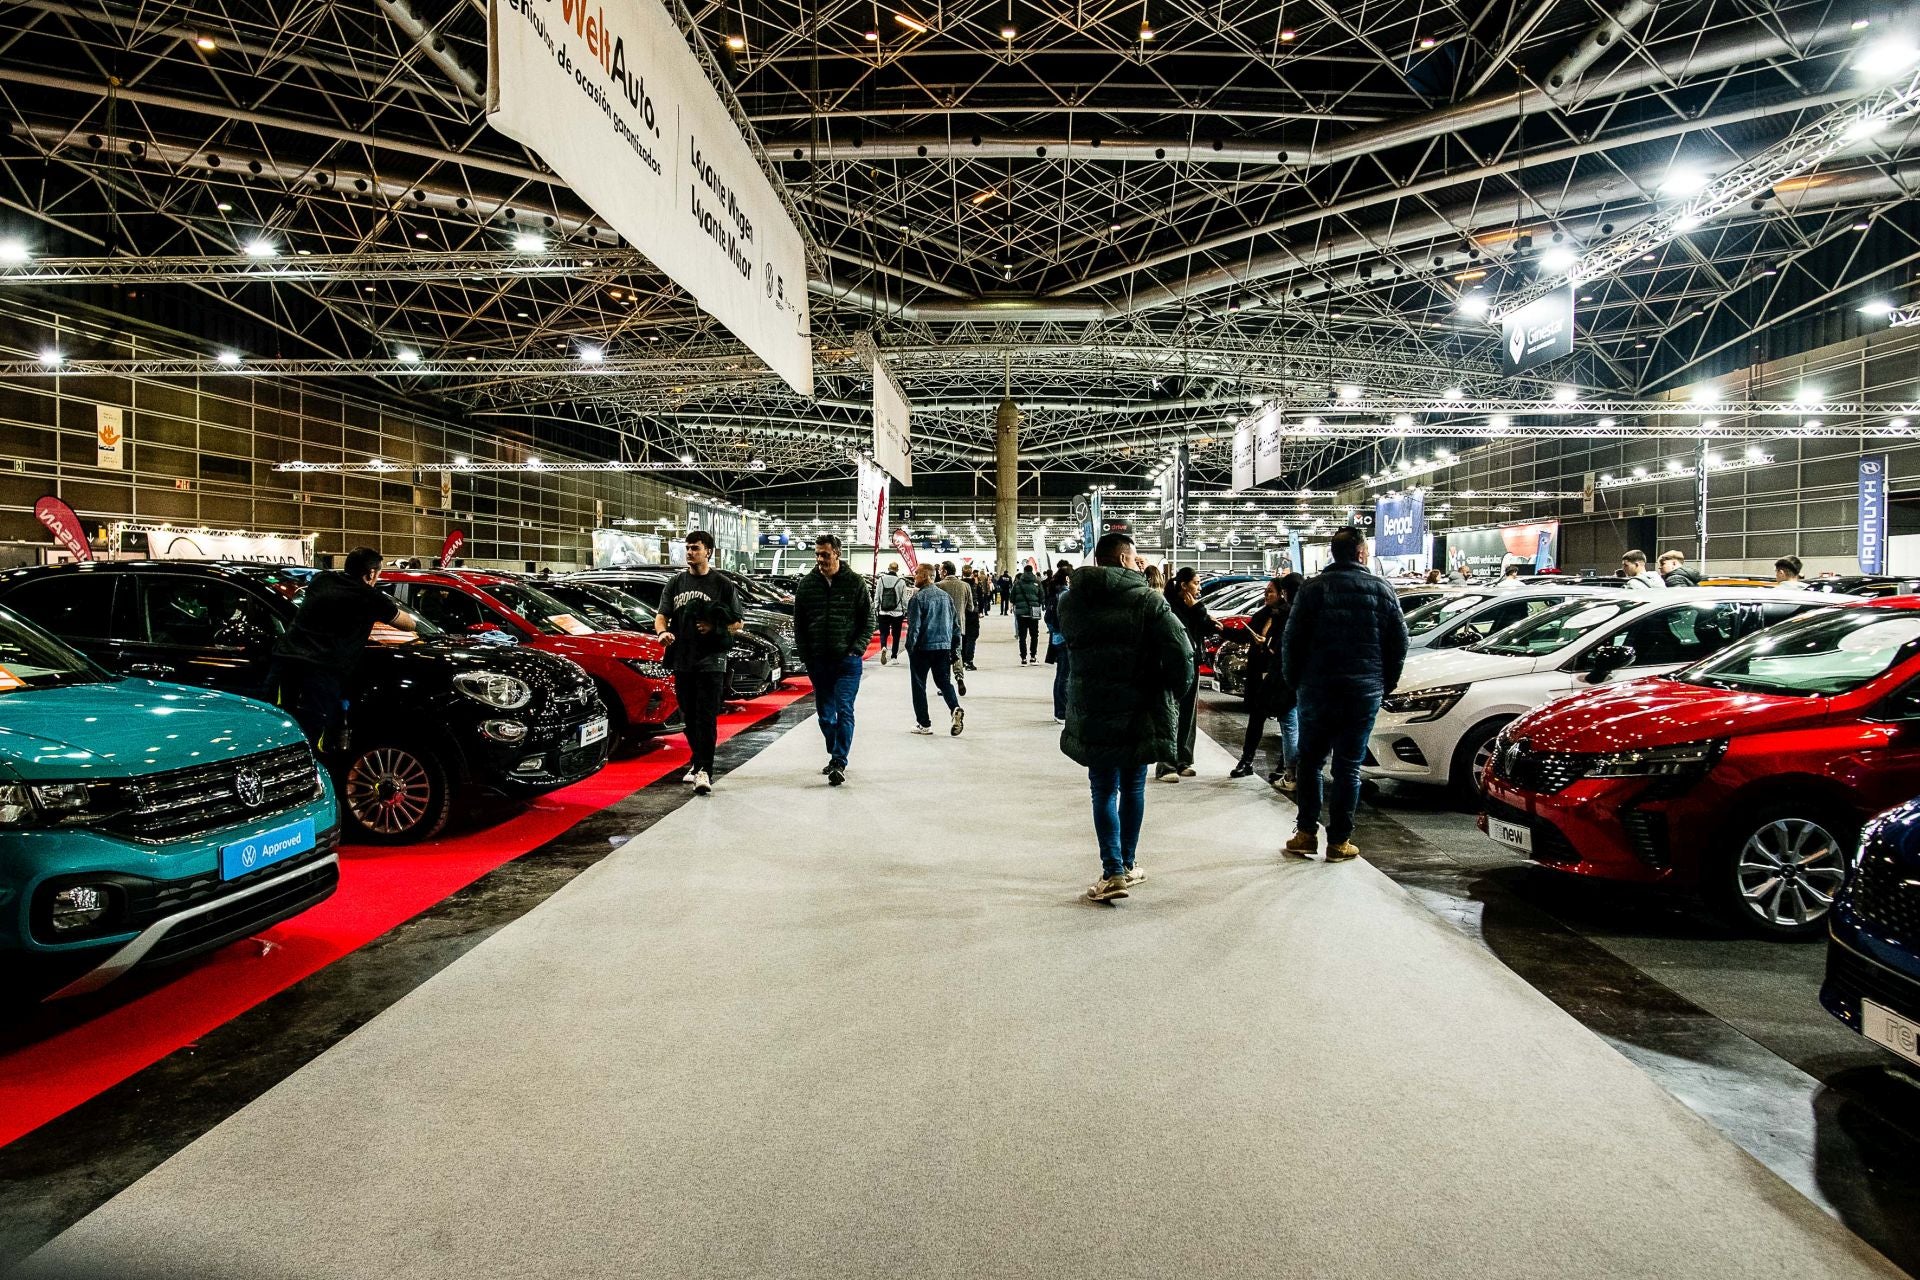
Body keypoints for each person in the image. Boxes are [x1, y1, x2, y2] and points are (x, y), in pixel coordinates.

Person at [1058, 531, 1192, 903]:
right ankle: (1127, 865)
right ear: (1121, 560)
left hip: (1093, 709)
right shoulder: (1150, 601)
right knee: (1133, 787)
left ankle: (1112, 870)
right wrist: (1173, 693)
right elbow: (1183, 655)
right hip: (1140, 708)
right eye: (1134, 559)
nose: (1139, 565)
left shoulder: (1071, 602)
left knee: (1102, 789)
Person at [1282, 527, 1408, 863]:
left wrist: (1294, 681)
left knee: (1309, 762)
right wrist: (1386, 683)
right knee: (1348, 767)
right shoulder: (1383, 589)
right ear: (1361, 552)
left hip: (1318, 690)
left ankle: (1306, 833)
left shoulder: (1312, 589)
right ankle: (1339, 842)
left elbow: (1292, 640)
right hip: (1362, 692)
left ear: (1333, 554)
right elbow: (1399, 642)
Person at [270, 546, 417, 747]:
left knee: (278, 720)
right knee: (313, 730)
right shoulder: (369, 597)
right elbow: (408, 623)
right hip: (322, 671)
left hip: (287, 662)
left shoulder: (322, 581)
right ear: (371, 573)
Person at [653, 530, 743, 796]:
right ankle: (698, 758)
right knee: (689, 717)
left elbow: (738, 622)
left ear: (708, 552)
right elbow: (661, 615)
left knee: (706, 717)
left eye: (695, 548)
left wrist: (714, 626)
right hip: (683, 659)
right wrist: (662, 633)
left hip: (711, 660)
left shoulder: (723, 585)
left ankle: (704, 770)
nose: (690, 552)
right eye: (688, 548)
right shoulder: (676, 583)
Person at [792, 533, 875, 786]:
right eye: (817, 554)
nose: (820, 559)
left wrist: (857, 649)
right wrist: (806, 656)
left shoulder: (854, 583)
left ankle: (839, 761)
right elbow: (800, 625)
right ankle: (834, 751)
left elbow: (868, 620)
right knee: (825, 716)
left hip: (847, 662)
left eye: (825, 554)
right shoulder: (807, 585)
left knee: (844, 709)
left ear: (837, 553)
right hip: (819, 662)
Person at [1230, 574, 1301, 787]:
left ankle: (1287, 770)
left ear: (1283, 593)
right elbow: (1245, 635)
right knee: (1259, 718)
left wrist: (1268, 646)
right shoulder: (1265, 614)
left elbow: (1285, 650)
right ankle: (1250, 761)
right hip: (1263, 674)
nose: (1266, 595)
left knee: (1288, 722)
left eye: (1270, 591)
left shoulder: (1290, 617)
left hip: (1281, 677)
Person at [1158, 567, 1218, 781]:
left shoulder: (1192, 607)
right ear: (1184, 585)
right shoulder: (1169, 607)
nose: (1199, 588)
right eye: (1196, 583)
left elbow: (1209, 628)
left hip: (1192, 664)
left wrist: (1198, 608)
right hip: (1171, 665)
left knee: (1188, 714)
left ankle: (1183, 760)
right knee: (1169, 713)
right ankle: (1166, 765)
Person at [904, 564, 964, 736]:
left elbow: (914, 628)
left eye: (917, 573)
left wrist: (910, 648)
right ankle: (955, 708)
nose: (914, 576)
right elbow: (955, 626)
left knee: (919, 686)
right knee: (944, 682)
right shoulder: (946, 597)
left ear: (926, 576)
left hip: (923, 649)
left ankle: (924, 724)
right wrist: (955, 649)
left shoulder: (918, 599)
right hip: (943, 648)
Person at [935, 562, 974, 694]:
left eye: (940, 570)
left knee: (944, 656)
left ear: (945, 572)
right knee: (956, 652)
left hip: (942, 626)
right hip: (959, 625)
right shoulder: (965, 586)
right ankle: (959, 677)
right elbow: (971, 607)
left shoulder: (939, 586)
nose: (939, 572)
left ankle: (945, 685)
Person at [1043, 561, 1074, 723]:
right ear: (1068, 579)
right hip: (1065, 638)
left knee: (1061, 676)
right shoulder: (1065, 595)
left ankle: (1060, 710)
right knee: (1065, 677)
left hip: (1057, 637)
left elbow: (1048, 618)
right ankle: (1061, 712)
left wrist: (1054, 630)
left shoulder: (1055, 593)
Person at [873, 561, 911, 665]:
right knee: (896, 635)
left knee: (884, 633)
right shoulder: (901, 581)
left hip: (883, 611)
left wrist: (876, 608)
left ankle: (884, 647)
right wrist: (905, 610)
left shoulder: (881, 580)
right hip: (897, 613)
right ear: (897, 570)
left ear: (888, 569)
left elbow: (877, 595)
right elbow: (904, 599)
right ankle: (894, 657)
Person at [1009, 564, 1045, 663]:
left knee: (1022, 636)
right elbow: (1042, 597)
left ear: (1024, 571)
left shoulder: (1018, 583)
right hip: (1034, 612)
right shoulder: (1037, 582)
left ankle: (1023, 658)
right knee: (1034, 635)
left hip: (1021, 613)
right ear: (1032, 570)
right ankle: (1033, 656)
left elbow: (1012, 598)